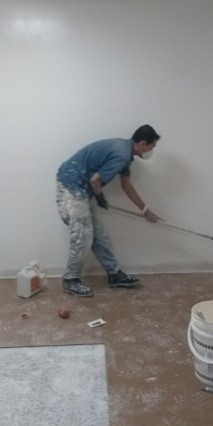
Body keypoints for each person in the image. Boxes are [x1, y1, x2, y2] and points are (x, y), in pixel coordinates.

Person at [56, 124, 161, 297]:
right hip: (72, 184)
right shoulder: (122, 154)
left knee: (100, 235)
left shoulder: (126, 153)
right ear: (143, 144)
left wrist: (145, 210)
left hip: (83, 187)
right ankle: (71, 279)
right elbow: (95, 181)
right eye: (152, 146)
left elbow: (126, 185)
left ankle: (114, 274)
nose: (152, 151)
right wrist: (99, 197)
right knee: (83, 235)